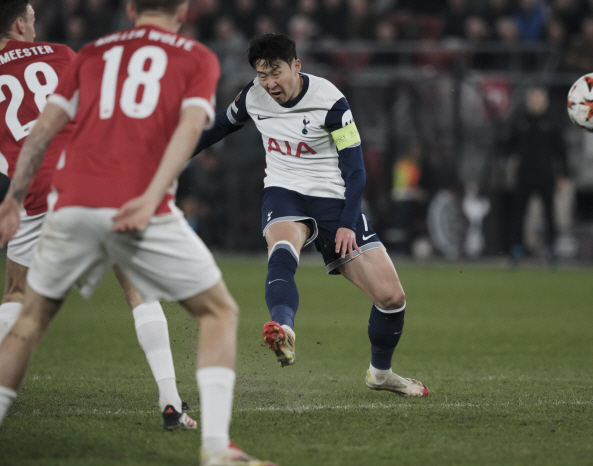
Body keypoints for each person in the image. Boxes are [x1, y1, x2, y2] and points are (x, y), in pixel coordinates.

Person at [0, 1, 275, 465]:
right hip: (130, 197)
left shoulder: (93, 51)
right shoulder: (194, 56)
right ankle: (208, 442)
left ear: (129, 8)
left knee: (26, 317)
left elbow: (43, 128)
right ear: (184, 10)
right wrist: (151, 197)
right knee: (216, 312)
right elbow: (190, 128)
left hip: (67, 195)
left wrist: (13, 197)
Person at [194, 33, 429, 397]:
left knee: (391, 298)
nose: (269, 83)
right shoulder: (252, 96)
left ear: (296, 66)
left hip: (333, 199)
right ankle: (283, 328)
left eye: (276, 72)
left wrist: (349, 223)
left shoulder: (331, 101)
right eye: (261, 74)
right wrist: (169, 154)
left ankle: (380, 374)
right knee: (283, 248)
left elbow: (356, 170)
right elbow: (218, 128)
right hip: (284, 191)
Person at [0, 0, 196, 432]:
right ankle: (170, 403)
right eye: (31, 17)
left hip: (31, 188)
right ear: (19, 22)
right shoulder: (63, 55)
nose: (34, 24)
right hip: (92, 177)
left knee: (16, 293)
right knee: (137, 287)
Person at [507, 86, 568, 263]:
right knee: (519, 213)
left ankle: (551, 248)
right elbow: (508, 143)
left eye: (539, 99)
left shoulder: (552, 122)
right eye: (533, 99)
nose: (536, 102)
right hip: (524, 175)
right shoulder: (520, 121)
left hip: (546, 175)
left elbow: (561, 151)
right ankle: (516, 248)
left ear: (545, 101)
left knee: (549, 213)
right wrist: (512, 155)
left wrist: (563, 176)